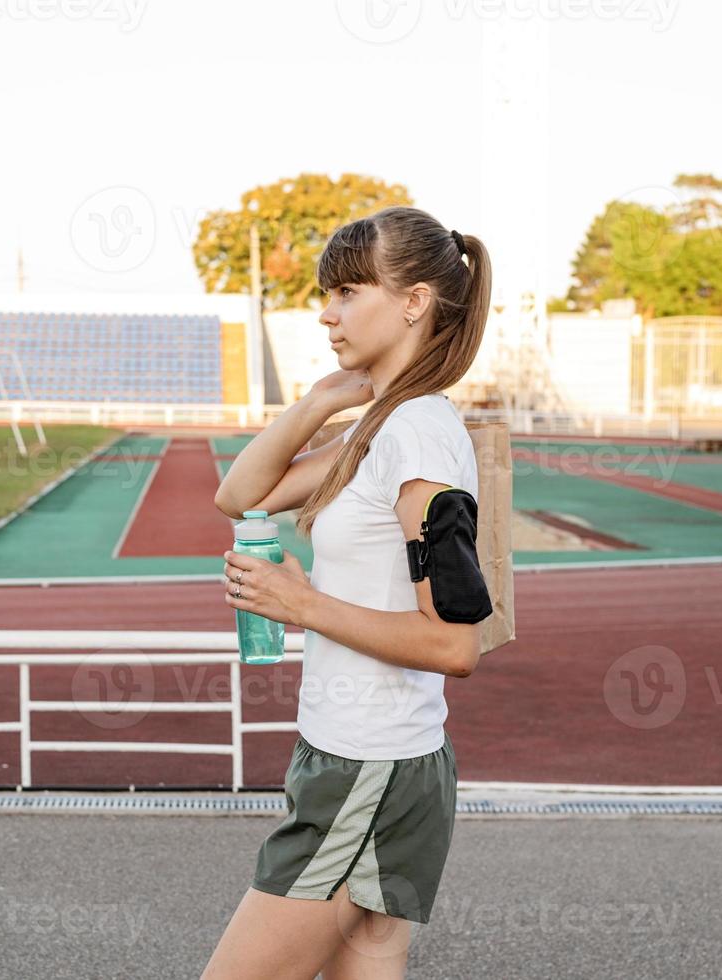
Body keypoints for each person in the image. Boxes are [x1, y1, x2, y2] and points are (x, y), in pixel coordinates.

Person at [201, 205, 492, 980]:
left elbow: (454, 643)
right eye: (327, 294)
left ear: (414, 302)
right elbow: (241, 496)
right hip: (367, 756)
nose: (327, 314)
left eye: (350, 291)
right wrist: (318, 403)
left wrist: (301, 605)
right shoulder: (378, 428)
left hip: (368, 764)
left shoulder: (418, 439)